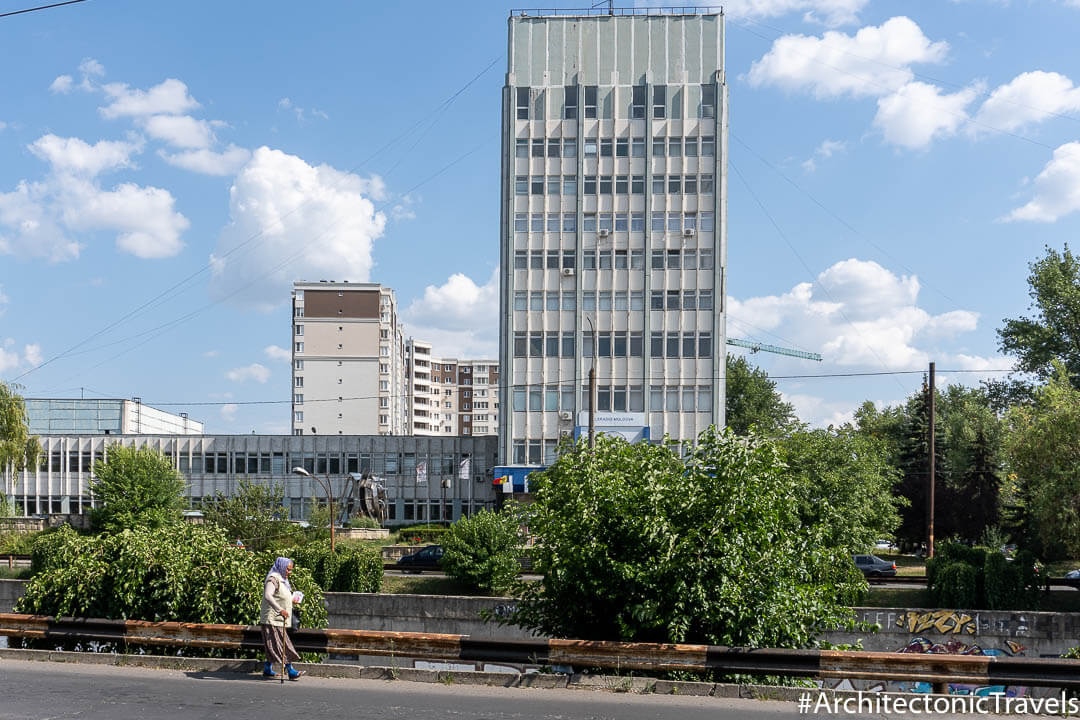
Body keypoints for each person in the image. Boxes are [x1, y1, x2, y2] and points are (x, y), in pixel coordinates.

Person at [260, 556, 304, 680]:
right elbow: (268, 595)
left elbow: (280, 596)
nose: (289, 572)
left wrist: (292, 600)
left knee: (273, 644)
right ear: (282, 567)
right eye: (288, 569)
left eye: (290, 570)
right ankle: (290, 670)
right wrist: (280, 610)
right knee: (282, 644)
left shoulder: (283, 580)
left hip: (279, 619)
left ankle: (267, 669)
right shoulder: (273, 579)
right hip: (272, 618)